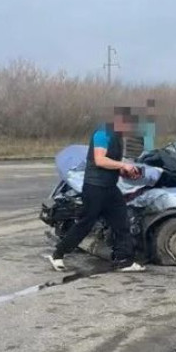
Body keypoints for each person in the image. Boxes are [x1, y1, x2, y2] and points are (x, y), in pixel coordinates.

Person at [45, 107, 145, 273]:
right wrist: (123, 164)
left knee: (122, 222)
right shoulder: (103, 133)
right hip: (95, 188)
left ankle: (123, 260)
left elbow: (110, 164)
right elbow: (99, 160)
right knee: (85, 224)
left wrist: (125, 171)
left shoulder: (118, 138)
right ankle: (58, 255)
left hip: (110, 188)